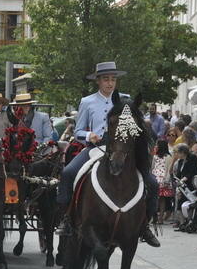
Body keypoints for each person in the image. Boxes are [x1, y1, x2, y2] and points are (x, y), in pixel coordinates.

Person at [55, 61, 160, 247]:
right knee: (68, 173)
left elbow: (138, 128)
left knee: (152, 182)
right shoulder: (87, 102)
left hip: (124, 150)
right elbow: (78, 131)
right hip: (96, 148)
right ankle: (67, 219)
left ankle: (144, 225)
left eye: (113, 79)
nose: (110, 83)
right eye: (105, 79)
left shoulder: (126, 100)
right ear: (98, 81)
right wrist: (89, 135)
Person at [152, 140, 174, 223]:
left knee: (160, 199)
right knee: (160, 200)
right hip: (157, 178)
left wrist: (166, 180)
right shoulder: (156, 156)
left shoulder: (168, 157)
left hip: (161, 178)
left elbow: (168, 169)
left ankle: (159, 217)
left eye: (157, 145)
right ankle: (157, 217)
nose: (156, 146)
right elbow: (152, 167)